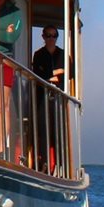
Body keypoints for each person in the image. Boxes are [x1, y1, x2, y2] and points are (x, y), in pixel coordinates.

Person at [0, 0, 26, 161]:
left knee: (2, 105)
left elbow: (11, 38)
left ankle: (1, 146)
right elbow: (4, 32)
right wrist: (2, 29)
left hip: (4, 59)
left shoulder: (15, 12)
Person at [31, 25, 67, 171]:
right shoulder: (38, 54)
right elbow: (39, 75)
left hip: (58, 97)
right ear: (43, 37)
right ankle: (44, 163)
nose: (51, 39)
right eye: (48, 35)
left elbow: (67, 75)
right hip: (41, 98)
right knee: (43, 129)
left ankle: (60, 164)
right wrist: (56, 73)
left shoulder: (63, 54)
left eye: (54, 35)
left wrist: (51, 75)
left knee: (59, 130)